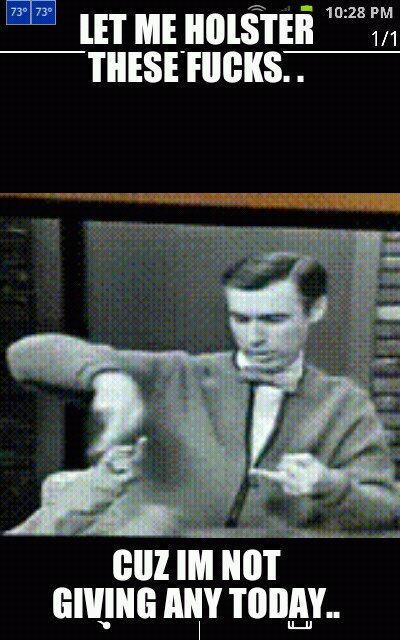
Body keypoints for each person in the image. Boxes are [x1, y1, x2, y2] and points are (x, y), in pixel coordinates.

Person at [5, 251, 399, 534]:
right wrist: (106, 377)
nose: (253, 337)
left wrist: (331, 485)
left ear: (316, 310)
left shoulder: (344, 404)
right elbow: (27, 355)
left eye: (273, 320)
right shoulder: (177, 374)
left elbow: (386, 511)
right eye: (240, 318)